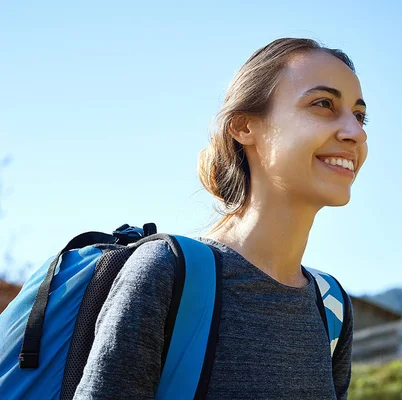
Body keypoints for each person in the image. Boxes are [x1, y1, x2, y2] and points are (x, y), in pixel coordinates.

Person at [73, 37, 368, 400]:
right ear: (245, 127)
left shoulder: (332, 306)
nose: (356, 132)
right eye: (323, 104)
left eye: (359, 115)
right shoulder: (166, 273)